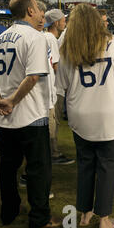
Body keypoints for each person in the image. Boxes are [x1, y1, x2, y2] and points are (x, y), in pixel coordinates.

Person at [56, 4, 114, 228]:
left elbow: (61, 86)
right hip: (112, 114)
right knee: (107, 166)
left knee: (85, 164)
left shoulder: (68, 48)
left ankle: (85, 213)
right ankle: (104, 221)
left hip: (81, 114)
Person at [0, 0, 61, 228]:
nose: (40, 11)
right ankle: (39, 218)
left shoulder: (1, 37)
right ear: (30, 11)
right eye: (36, 7)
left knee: (8, 168)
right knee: (38, 170)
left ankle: (8, 213)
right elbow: (33, 76)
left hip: (5, 118)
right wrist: (12, 100)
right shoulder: (34, 37)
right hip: (30, 115)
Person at [44, 9, 74, 165]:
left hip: (53, 87)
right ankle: (53, 153)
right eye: (63, 20)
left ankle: (52, 152)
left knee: (53, 122)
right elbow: (56, 66)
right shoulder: (51, 37)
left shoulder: (50, 37)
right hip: (54, 87)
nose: (65, 22)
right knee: (53, 123)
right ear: (56, 22)